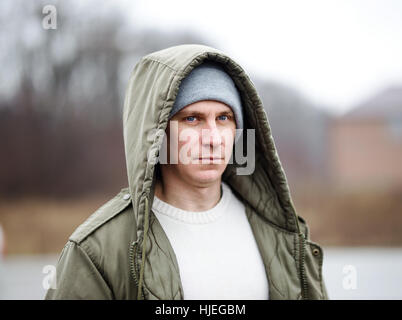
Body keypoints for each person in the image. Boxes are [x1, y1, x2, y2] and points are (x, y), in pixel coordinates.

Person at [45, 44, 328, 300]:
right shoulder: (97, 252)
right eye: (192, 118)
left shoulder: (281, 231)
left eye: (224, 118)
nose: (213, 138)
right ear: (157, 132)